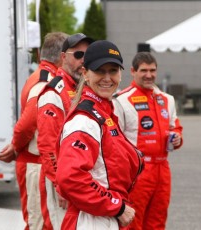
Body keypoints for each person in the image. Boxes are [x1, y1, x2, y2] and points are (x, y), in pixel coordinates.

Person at [55, 40, 144, 230]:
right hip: (90, 219)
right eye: (99, 71)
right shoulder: (85, 120)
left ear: (121, 74)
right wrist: (116, 206)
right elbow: (70, 177)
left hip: (102, 217)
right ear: (85, 73)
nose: (107, 77)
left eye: (113, 70)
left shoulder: (104, 113)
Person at [0, 32, 68, 230]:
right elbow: (26, 123)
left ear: (40, 54)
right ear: (63, 57)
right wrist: (16, 146)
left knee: (42, 221)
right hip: (35, 164)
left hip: (36, 163)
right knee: (40, 224)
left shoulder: (40, 75)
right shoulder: (45, 82)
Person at [113, 52, 183, 230]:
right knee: (133, 222)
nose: (149, 75)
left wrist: (177, 137)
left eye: (153, 70)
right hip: (137, 172)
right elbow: (113, 139)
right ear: (133, 71)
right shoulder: (122, 100)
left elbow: (176, 126)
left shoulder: (167, 99)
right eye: (144, 70)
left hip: (162, 168)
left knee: (158, 220)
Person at [36, 33, 93, 230]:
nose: (83, 61)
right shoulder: (54, 92)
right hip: (63, 184)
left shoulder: (84, 88)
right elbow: (47, 144)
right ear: (63, 57)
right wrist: (59, 185)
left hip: (83, 181)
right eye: (78, 55)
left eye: (87, 55)